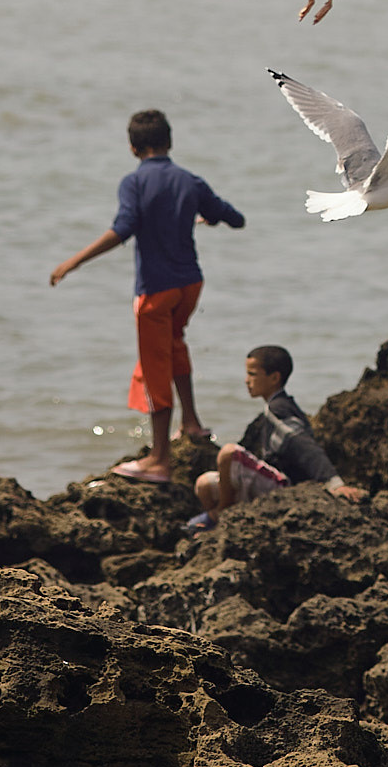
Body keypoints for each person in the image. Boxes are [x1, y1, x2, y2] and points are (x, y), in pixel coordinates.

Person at [49, 108, 245, 484]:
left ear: (133, 147)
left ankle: (159, 460)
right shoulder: (190, 181)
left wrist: (73, 261)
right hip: (190, 285)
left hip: (156, 290)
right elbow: (234, 217)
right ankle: (191, 423)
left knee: (154, 368)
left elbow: (123, 229)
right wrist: (210, 217)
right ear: (169, 142)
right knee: (174, 344)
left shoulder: (134, 183)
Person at [189, 344, 367, 531]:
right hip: (269, 482)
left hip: (286, 488)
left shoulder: (279, 409)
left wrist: (334, 483)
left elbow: (305, 446)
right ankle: (219, 527)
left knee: (229, 453)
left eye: (252, 374)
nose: (246, 380)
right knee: (204, 484)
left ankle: (223, 514)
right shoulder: (274, 408)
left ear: (274, 378)